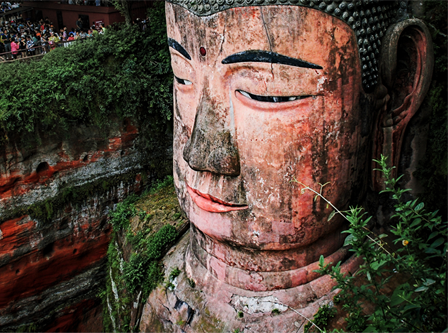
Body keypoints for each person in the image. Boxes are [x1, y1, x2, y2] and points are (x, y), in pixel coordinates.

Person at [140, 0, 435, 330]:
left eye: (267, 95)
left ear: (396, 96)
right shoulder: (145, 256)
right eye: (182, 77)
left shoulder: (404, 312)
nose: (201, 156)